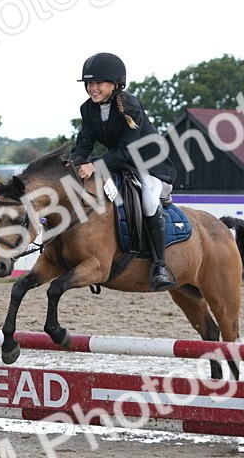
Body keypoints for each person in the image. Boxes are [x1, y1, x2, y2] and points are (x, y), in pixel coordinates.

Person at [70, 52, 178, 291]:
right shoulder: (87, 109)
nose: (92, 88)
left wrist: (94, 165)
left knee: (149, 199)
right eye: (89, 83)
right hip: (120, 164)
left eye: (98, 83)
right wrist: (71, 166)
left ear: (115, 84)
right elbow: (84, 144)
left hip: (150, 166)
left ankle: (160, 265)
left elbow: (128, 151)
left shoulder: (129, 105)